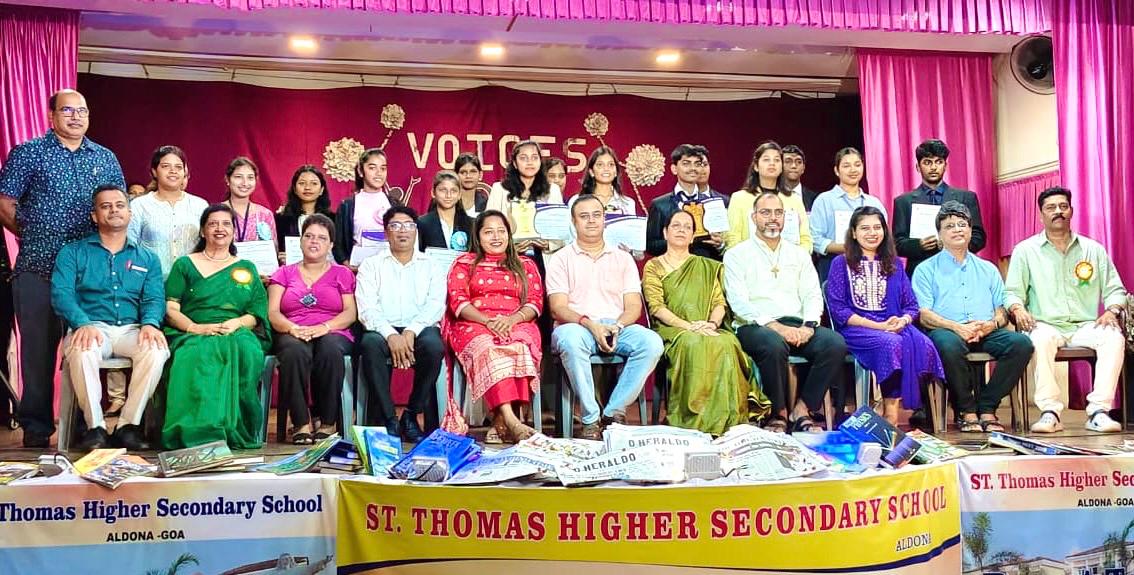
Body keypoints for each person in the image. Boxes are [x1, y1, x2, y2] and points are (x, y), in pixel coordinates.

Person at [0, 89, 126, 448]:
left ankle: (86, 426)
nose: (76, 117)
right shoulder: (29, 153)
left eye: (82, 111)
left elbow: (116, 205)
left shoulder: (105, 157)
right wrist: (33, 233)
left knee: (88, 348)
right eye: (67, 111)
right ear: (51, 115)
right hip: (38, 268)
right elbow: (5, 202)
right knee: (38, 353)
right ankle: (36, 428)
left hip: (89, 275)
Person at [51, 184, 168, 451]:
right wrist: (82, 323)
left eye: (119, 205)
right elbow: (61, 294)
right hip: (91, 326)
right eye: (105, 206)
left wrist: (150, 323)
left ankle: (128, 425)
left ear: (129, 213)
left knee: (156, 349)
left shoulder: (147, 258)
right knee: (83, 349)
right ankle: (96, 428)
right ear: (94, 216)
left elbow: (154, 297)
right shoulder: (73, 252)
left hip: (132, 329)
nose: (114, 210)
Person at [1006, 187, 1128, 433]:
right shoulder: (1026, 250)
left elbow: (1116, 289)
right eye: (1051, 208)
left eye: (1063, 206)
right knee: (1039, 339)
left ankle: (1099, 412)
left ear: (1071, 211)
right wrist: (1017, 308)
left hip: (1085, 325)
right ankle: (1050, 412)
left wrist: (1112, 310)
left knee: (1114, 337)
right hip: (1045, 324)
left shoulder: (1093, 249)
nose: (1058, 212)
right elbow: (1012, 292)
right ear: (1041, 214)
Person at [724, 192, 847, 433]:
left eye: (778, 213)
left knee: (834, 343)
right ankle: (777, 413)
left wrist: (809, 326)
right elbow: (738, 302)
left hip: (797, 324)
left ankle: (802, 409)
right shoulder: (737, 255)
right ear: (753, 217)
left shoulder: (798, 253)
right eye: (765, 212)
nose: (772, 218)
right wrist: (776, 327)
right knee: (773, 344)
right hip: (755, 326)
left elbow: (812, 294)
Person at [643, 209, 770, 434]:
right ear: (665, 232)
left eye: (687, 227)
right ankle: (693, 418)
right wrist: (688, 326)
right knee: (693, 343)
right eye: (676, 226)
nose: (681, 230)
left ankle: (730, 420)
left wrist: (711, 324)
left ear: (693, 236)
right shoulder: (654, 266)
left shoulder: (708, 266)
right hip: (673, 329)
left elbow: (719, 303)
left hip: (707, 326)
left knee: (727, 343)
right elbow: (657, 308)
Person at [548, 195, 664, 440]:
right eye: (584, 216)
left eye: (596, 215)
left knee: (651, 343)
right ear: (574, 222)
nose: (591, 221)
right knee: (571, 341)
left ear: (604, 219)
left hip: (616, 325)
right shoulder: (561, 258)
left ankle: (613, 413)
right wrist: (591, 324)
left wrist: (618, 326)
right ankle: (590, 419)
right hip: (576, 325)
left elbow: (633, 306)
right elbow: (558, 308)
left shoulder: (623, 258)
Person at [913, 201, 1032, 433]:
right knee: (947, 345)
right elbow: (924, 314)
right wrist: (957, 327)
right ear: (939, 234)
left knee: (1021, 344)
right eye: (949, 226)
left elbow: (1001, 309)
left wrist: (991, 325)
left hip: (985, 330)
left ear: (970, 230)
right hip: (948, 330)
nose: (957, 229)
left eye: (962, 224)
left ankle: (987, 407)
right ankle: (966, 411)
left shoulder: (988, 268)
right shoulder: (926, 269)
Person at [161, 204, 270, 449]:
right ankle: (193, 430)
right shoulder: (184, 265)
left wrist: (237, 323)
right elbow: (171, 309)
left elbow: (256, 312)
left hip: (236, 329)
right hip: (191, 330)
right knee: (194, 353)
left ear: (233, 231)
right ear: (202, 231)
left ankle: (234, 429)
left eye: (226, 224)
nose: (220, 229)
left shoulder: (246, 267)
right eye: (213, 224)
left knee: (246, 351)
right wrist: (194, 328)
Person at [825, 206, 944, 425]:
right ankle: (891, 411)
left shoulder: (894, 263)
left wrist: (903, 320)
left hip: (894, 325)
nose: (872, 233)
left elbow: (911, 305)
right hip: (855, 329)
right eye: (865, 228)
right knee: (892, 343)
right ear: (853, 233)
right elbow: (839, 310)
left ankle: (914, 411)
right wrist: (880, 327)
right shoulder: (841, 263)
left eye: (877, 227)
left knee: (924, 343)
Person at [444, 210, 545, 442]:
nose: (496, 237)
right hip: (474, 323)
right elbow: (458, 301)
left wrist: (512, 320)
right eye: (489, 232)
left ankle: (500, 420)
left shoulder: (525, 264)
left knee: (519, 346)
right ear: (478, 237)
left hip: (517, 321)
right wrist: (487, 321)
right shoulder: (464, 264)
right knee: (489, 348)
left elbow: (535, 302)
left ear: (509, 235)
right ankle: (512, 421)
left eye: (501, 231)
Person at [357, 206, 445, 441]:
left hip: (420, 327)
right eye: (395, 226)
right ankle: (389, 420)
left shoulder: (432, 265)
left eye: (408, 225)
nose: (402, 231)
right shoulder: (371, 265)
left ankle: (411, 414)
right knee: (370, 345)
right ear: (386, 232)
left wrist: (411, 331)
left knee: (434, 347)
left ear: (416, 231)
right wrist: (391, 334)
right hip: (382, 328)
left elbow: (435, 305)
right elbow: (367, 308)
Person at [267, 214, 356, 444]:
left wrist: (325, 327)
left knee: (329, 348)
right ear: (300, 241)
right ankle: (300, 423)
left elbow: (350, 313)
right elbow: (273, 313)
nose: (314, 241)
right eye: (308, 236)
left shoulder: (342, 273)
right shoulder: (283, 273)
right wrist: (292, 328)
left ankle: (327, 422)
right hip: (291, 330)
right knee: (293, 351)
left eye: (321, 238)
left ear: (331, 245)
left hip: (333, 330)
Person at [893, 139, 986, 277]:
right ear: (918, 167)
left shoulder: (966, 198)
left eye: (938, 162)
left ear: (945, 165)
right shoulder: (903, 202)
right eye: (927, 162)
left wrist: (954, 244)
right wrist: (919, 245)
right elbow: (897, 244)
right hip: (920, 273)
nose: (933, 167)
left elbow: (979, 238)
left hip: (959, 272)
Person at [129, 145, 210, 277]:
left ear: (185, 172)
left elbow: (209, 245)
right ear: (154, 171)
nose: (173, 171)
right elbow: (130, 247)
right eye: (166, 166)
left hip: (192, 281)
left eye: (178, 167)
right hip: (152, 282)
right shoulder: (139, 206)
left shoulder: (200, 205)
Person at [810, 147, 887, 282]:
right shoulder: (824, 200)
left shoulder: (874, 203)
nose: (853, 170)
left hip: (871, 266)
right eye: (846, 166)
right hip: (833, 264)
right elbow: (815, 239)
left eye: (857, 165)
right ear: (836, 170)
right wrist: (848, 248)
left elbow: (885, 235)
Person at [726, 141, 812, 252]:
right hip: (750, 260)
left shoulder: (794, 199)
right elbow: (732, 239)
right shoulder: (739, 198)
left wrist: (797, 258)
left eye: (777, 160)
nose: (772, 163)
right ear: (756, 166)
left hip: (790, 260)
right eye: (766, 159)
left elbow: (805, 239)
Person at [645, 144, 728, 260]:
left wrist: (721, 245)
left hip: (710, 267)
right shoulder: (660, 205)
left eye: (697, 164)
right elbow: (650, 246)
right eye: (686, 163)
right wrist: (681, 240)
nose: (693, 168)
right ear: (674, 169)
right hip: (675, 268)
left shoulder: (716, 203)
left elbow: (730, 239)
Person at [485, 140, 564, 258]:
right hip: (510, 258)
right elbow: (488, 227)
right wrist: (509, 248)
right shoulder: (499, 189)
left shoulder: (553, 190)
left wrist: (549, 244)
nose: (530, 162)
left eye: (534, 157)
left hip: (543, 257)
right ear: (515, 163)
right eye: (523, 158)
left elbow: (561, 231)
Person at [334, 148, 401, 265]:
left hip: (390, 267)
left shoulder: (395, 205)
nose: (379, 173)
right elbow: (338, 244)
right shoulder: (347, 206)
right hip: (358, 268)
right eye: (372, 168)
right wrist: (348, 265)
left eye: (383, 168)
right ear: (360, 171)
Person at [275, 165, 334, 254]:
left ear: (322, 190)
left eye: (314, 183)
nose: (307, 187)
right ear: (294, 189)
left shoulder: (333, 219)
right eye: (302, 183)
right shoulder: (281, 219)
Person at [223, 156, 277, 246]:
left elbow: (273, 249)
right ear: (227, 179)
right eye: (238, 177)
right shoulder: (216, 212)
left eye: (250, 178)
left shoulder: (265, 214)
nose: (245, 183)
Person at [418, 170, 473, 252]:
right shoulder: (421, 223)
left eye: (453, 191)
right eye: (443, 190)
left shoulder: (471, 224)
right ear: (433, 193)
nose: (448, 195)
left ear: (459, 194)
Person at [574, 146, 637, 215]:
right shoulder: (576, 201)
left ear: (616, 172)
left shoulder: (628, 203)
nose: (606, 169)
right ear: (591, 172)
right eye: (600, 165)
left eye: (611, 164)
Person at [782, 145, 819, 211]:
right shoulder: (771, 195)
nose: (794, 166)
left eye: (798, 162)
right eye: (788, 161)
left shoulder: (815, 199)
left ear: (803, 168)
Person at [454, 152, 489, 217]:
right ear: (455, 175)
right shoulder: (447, 202)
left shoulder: (488, 204)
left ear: (480, 175)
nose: (468, 176)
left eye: (473, 172)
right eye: (463, 172)